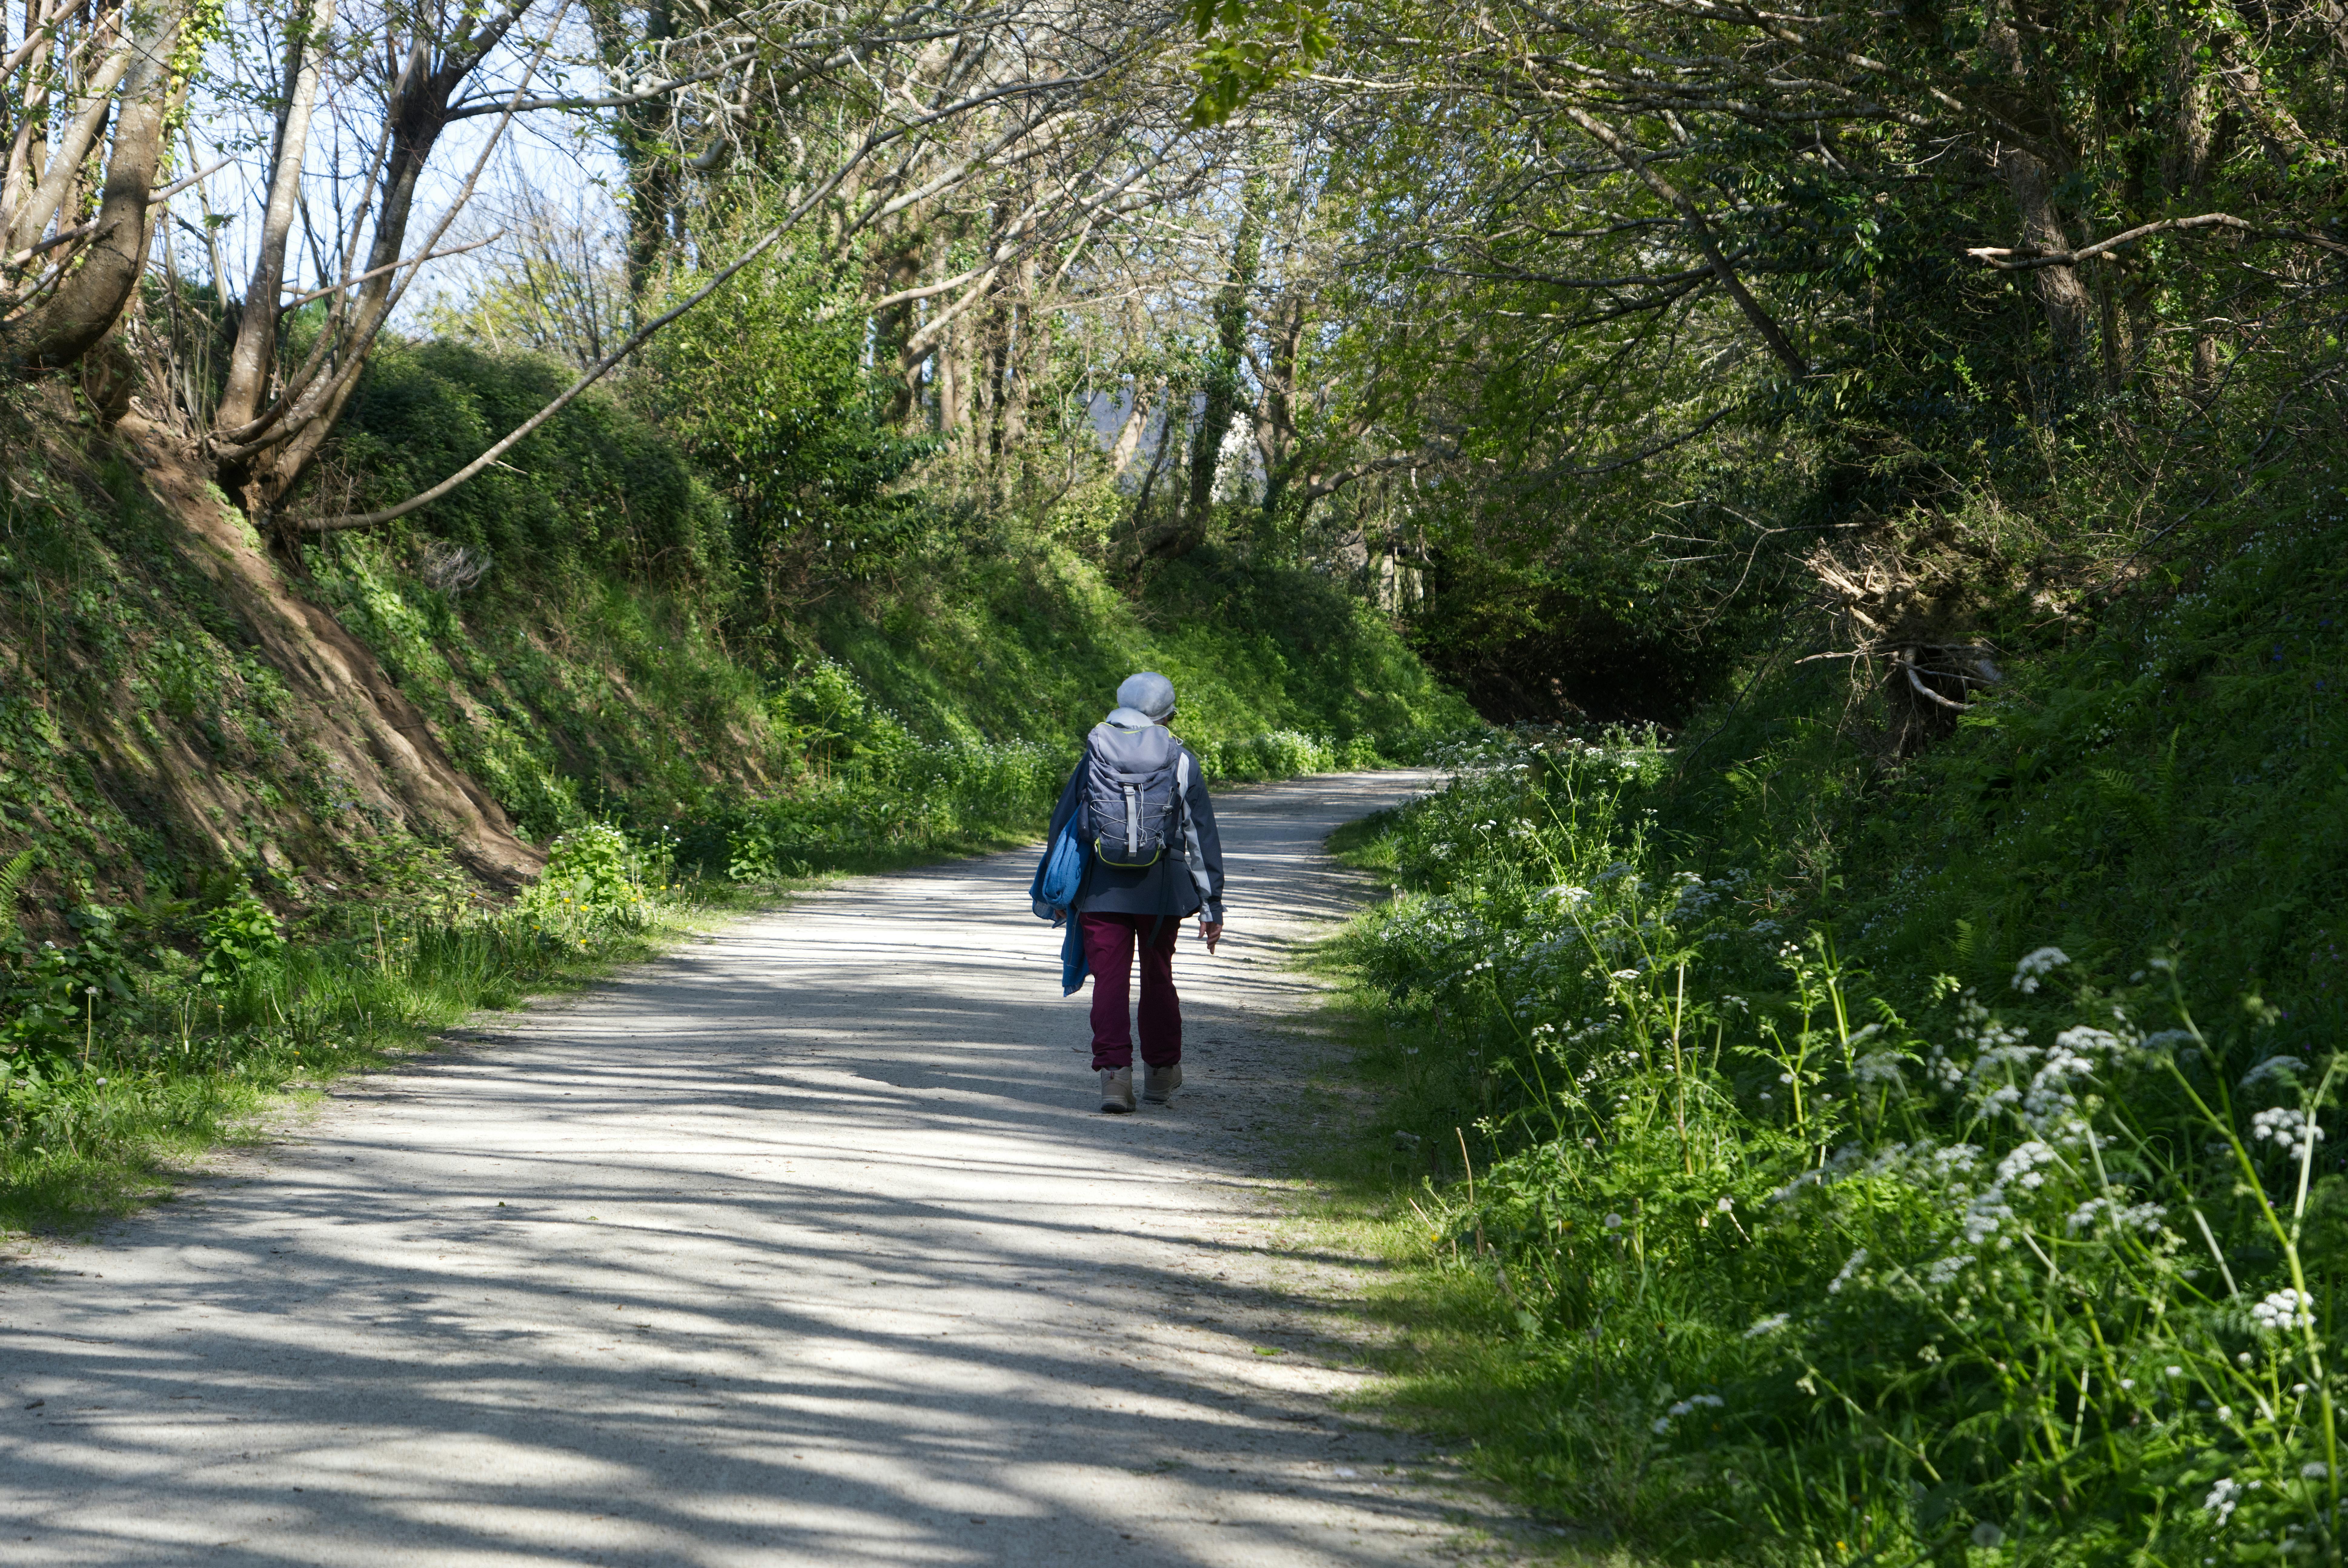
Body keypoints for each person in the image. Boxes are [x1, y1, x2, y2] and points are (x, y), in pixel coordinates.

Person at [1038, 671, 1225, 1113]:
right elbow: (1200, 837)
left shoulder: (1094, 754)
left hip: (1101, 892)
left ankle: (1116, 1078)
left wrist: (1057, 892)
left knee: (1110, 982)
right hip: (1161, 893)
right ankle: (1161, 1074)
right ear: (1167, 714)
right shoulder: (1181, 760)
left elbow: (1064, 827)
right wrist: (1212, 904)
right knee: (1158, 977)